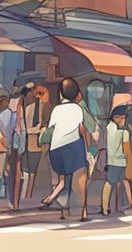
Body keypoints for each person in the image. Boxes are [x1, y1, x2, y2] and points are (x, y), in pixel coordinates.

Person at [45, 78, 90, 221]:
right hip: (73, 147)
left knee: (63, 179)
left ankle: (64, 210)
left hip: (57, 150)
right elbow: (80, 128)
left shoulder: (56, 110)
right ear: (76, 94)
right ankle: (83, 211)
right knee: (80, 178)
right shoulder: (78, 109)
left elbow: (51, 128)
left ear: (61, 95)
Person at [102, 105, 132, 215]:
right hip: (120, 161)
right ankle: (106, 207)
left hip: (111, 160)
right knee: (118, 181)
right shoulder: (124, 132)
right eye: (123, 117)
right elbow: (126, 150)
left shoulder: (108, 128)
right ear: (118, 117)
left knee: (113, 182)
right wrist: (131, 159)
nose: (125, 120)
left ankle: (129, 202)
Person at [21, 84, 49, 204]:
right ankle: (26, 195)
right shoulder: (31, 108)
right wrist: (37, 129)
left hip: (36, 144)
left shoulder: (44, 108)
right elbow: (27, 127)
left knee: (31, 173)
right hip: (32, 143)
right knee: (29, 173)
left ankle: (27, 195)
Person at [0, 91, 22, 211]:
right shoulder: (11, 114)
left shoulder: (4, 114)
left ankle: (12, 200)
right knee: (12, 173)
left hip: (11, 147)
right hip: (12, 147)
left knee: (11, 174)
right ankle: (13, 201)